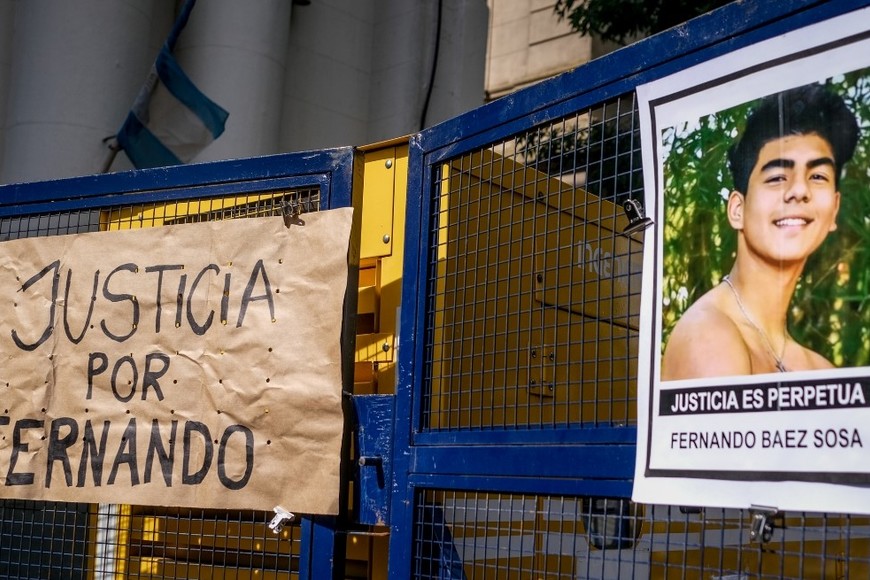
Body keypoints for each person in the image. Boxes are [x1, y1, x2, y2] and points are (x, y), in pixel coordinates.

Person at [661, 83, 860, 380]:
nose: (799, 191)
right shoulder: (709, 335)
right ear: (737, 210)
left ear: (833, 209)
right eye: (778, 176)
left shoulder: (819, 368)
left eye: (818, 175)